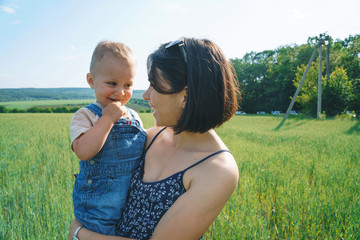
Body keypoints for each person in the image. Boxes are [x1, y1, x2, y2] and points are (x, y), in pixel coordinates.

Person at [69, 37, 240, 240]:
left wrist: (80, 233)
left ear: (185, 97)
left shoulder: (217, 170)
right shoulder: (147, 137)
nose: (145, 95)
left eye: (154, 86)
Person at [70, 41, 146, 235]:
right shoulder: (86, 116)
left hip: (132, 206)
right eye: (111, 83)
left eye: (127, 85)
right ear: (91, 81)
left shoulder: (134, 116)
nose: (120, 93)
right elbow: (84, 152)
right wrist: (108, 119)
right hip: (98, 209)